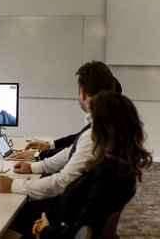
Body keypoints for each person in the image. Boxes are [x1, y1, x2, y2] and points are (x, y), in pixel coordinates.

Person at [0, 61, 115, 237]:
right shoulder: (107, 126)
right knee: (21, 206)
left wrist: (14, 184)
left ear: (82, 93)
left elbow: (62, 182)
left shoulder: (95, 134)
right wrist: (34, 166)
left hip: (72, 217)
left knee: (8, 213)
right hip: (81, 207)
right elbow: (71, 152)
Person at [32, 92, 152, 239]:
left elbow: (81, 233)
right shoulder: (118, 166)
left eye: (93, 123)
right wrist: (48, 217)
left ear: (104, 128)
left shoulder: (108, 176)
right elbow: (77, 205)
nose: (89, 131)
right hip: (61, 223)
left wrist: (45, 231)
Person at [12, 76, 122, 161]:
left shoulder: (107, 128)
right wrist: (49, 146)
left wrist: (38, 155)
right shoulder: (107, 120)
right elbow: (76, 138)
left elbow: (72, 152)